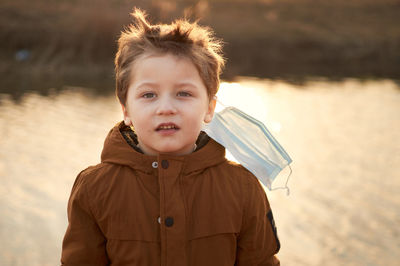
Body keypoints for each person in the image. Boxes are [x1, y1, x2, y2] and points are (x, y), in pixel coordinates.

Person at [61, 8, 280, 266]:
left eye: (183, 94)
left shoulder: (243, 188)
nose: (166, 108)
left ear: (209, 108)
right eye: (149, 95)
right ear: (126, 110)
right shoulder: (94, 189)